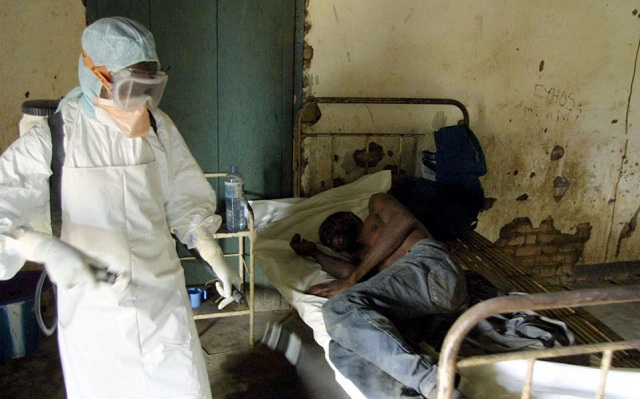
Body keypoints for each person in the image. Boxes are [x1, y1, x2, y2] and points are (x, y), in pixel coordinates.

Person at [0, 17, 241, 399]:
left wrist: (209, 248)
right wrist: (43, 248)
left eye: (150, 88)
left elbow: (183, 200)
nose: (141, 102)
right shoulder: (54, 138)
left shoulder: (158, 128)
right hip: (94, 314)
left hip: (162, 304)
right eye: (131, 88)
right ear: (96, 75)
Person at [290, 192, 468, 398]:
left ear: (349, 215)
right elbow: (348, 273)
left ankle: (436, 386)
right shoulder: (363, 257)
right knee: (342, 348)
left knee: (341, 306)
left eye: (332, 226)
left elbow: (403, 221)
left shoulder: (377, 205)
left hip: (431, 267)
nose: (331, 236)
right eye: (327, 239)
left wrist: (353, 279)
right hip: (421, 305)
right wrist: (315, 252)